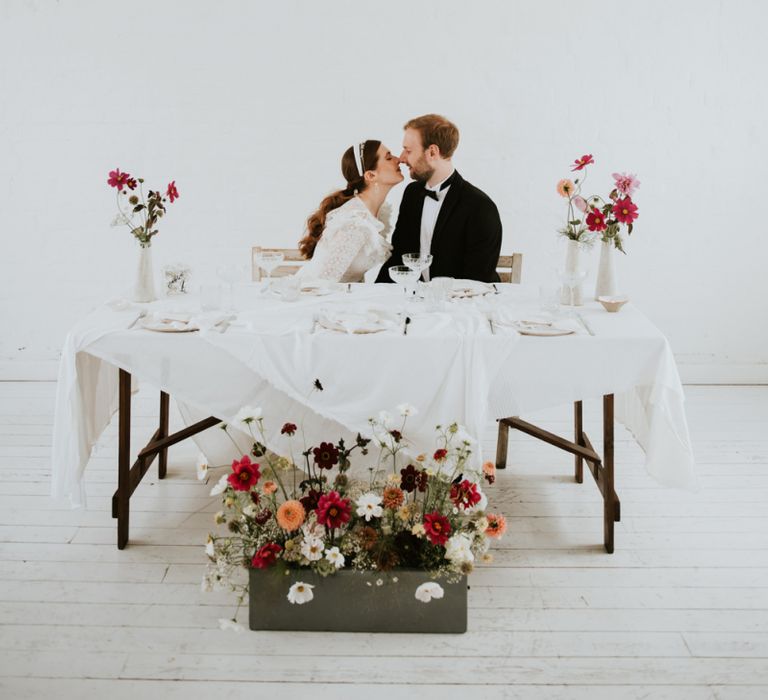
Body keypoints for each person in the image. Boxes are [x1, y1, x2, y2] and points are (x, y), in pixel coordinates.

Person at [375, 114, 502, 283]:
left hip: (460, 305)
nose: (402, 158)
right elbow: (400, 255)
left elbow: (477, 280)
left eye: (408, 150)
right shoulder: (412, 194)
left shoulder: (480, 207)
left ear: (433, 152)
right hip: (415, 303)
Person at [297, 140, 404, 282]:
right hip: (315, 296)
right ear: (371, 175)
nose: (399, 160)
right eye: (389, 157)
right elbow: (323, 283)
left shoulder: (374, 214)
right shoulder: (354, 222)